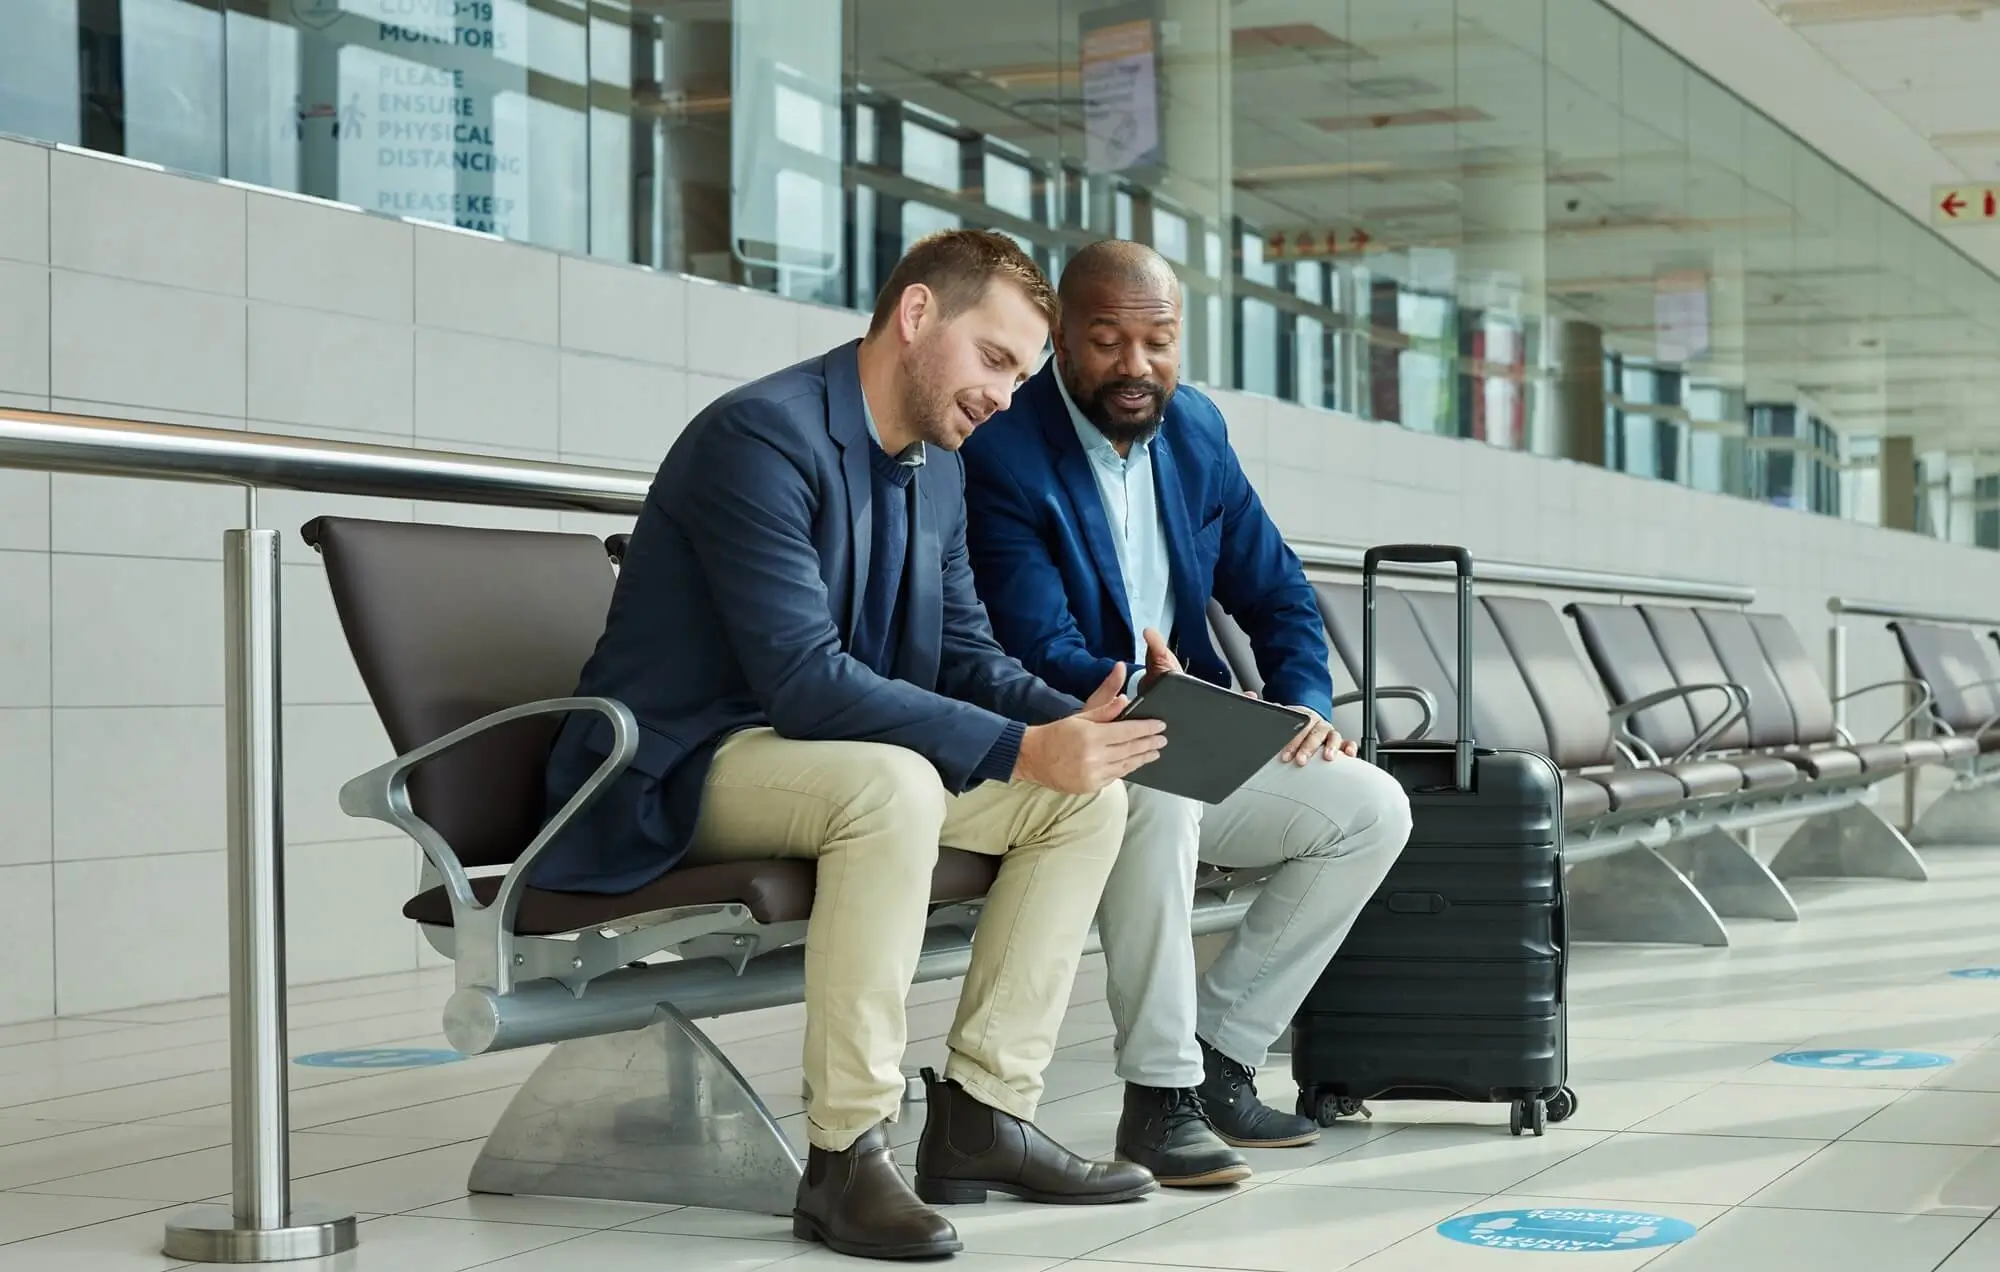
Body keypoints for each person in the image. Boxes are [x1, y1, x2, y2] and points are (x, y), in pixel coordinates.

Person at [534, 230, 1164, 1261]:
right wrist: (1014, 746)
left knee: (1083, 798)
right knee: (894, 786)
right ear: (916, 316)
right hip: (681, 765)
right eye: (995, 360)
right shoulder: (758, 437)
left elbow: (964, 653)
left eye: (1021, 373)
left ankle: (983, 1117)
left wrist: (1064, 722)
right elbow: (803, 680)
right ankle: (847, 1153)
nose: (1007, 395)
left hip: (822, 761)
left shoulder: (937, 471)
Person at [959, 239, 1414, 1188]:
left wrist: (1300, 700)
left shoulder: (1197, 432)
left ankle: (1219, 1058)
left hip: (1186, 719)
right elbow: (1030, 640)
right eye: (1107, 340)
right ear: (1061, 344)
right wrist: (1140, 689)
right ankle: (1158, 1100)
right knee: (1159, 794)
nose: (1136, 366)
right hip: (1070, 735)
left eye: (1157, 340)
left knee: (1372, 808)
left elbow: (1281, 593)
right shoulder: (1004, 450)